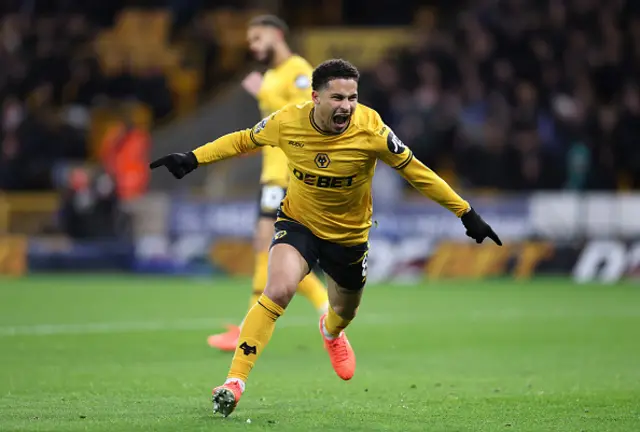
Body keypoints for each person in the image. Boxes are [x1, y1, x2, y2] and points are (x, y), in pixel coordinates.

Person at [150, 59, 502, 417]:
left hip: (349, 237)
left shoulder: (372, 129)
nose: (347, 106)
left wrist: (466, 213)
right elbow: (243, 140)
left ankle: (331, 331)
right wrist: (193, 159)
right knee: (280, 289)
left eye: (352, 97)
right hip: (299, 224)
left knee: (345, 311)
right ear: (316, 97)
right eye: (338, 98)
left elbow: (417, 173)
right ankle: (234, 382)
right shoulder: (287, 121)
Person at [206, 15, 329, 352]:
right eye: (251, 42)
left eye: (258, 38)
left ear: (277, 34)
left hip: (288, 173)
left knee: (269, 246)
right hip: (272, 172)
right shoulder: (273, 75)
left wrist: (265, 95)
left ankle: (249, 328)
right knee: (270, 250)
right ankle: (321, 309)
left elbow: (307, 115)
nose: (254, 46)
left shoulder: (298, 69)